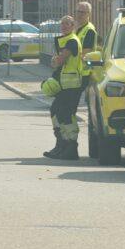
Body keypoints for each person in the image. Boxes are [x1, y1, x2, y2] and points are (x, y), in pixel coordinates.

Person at [45, 16, 84, 160]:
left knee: (65, 115)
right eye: (62, 23)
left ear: (73, 26)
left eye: (67, 24)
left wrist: (56, 60)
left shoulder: (72, 41)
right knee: (56, 111)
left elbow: (59, 60)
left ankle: (70, 147)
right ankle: (61, 144)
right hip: (65, 85)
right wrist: (56, 60)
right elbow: (57, 60)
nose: (64, 26)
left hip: (72, 85)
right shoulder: (66, 40)